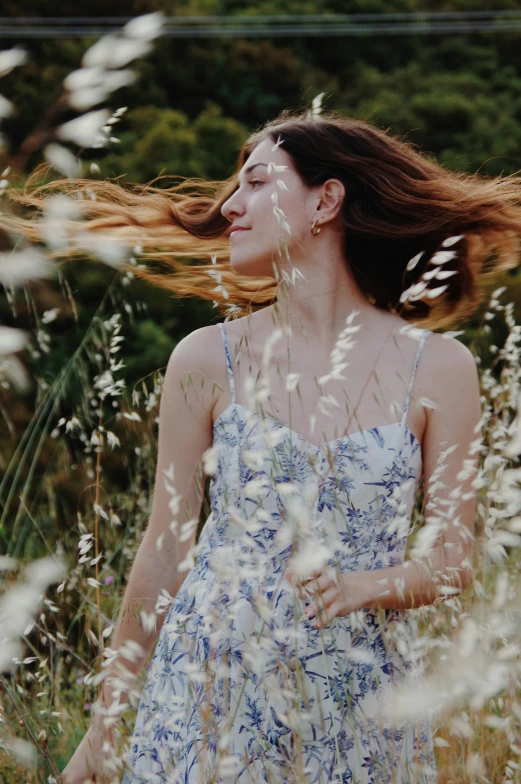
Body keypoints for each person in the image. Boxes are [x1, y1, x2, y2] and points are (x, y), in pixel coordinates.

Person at [35, 108, 521, 782]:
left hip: (358, 692)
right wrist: (106, 723)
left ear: (326, 199)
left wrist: (363, 586)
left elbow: (451, 558)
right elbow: (167, 547)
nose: (231, 204)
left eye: (256, 182)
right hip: (208, 684)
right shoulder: (205, 357)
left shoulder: (438, 368)